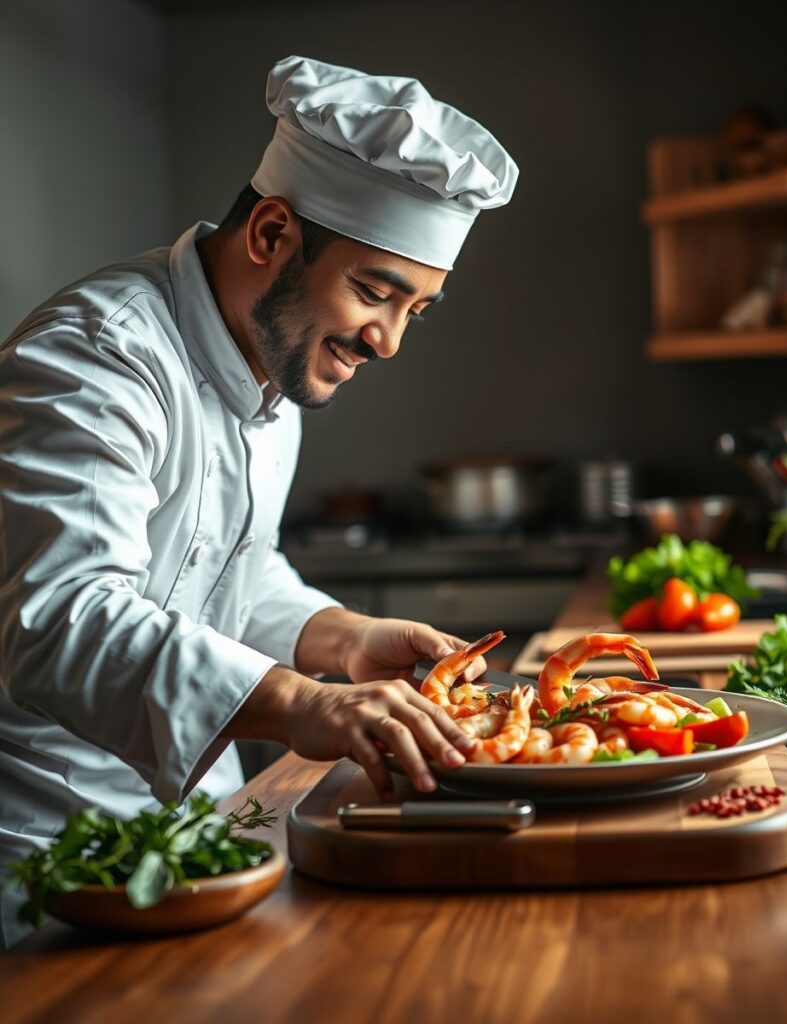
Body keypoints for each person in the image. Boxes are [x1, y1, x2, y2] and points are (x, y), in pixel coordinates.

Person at [0, 55, 518, 948]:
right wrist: (298, 702)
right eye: (374, 292)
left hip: (197, 838)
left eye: (414, 310)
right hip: (45, 861)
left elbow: (230, 571)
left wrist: (346, 641)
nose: (387, 341)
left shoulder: (273, 367)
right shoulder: (95, 357)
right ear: (272, 232)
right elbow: (60, 617)